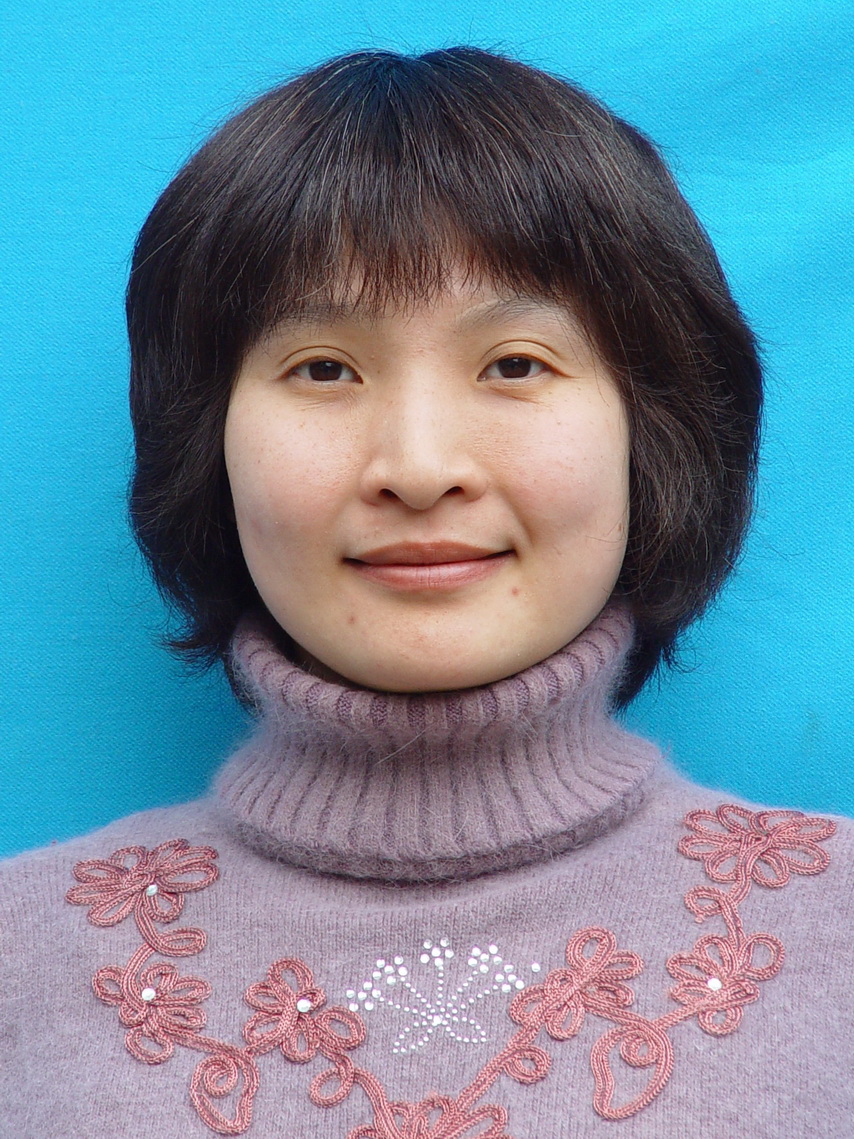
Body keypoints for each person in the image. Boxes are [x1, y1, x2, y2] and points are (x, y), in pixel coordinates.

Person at [1, 47, 851, 1138]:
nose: (417, 465)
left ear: (654, 431)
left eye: (514, 364)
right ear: (206, 443)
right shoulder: (25, 955)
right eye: (323, 368)